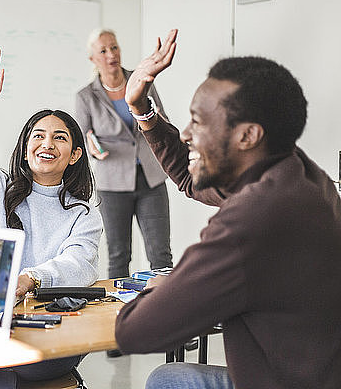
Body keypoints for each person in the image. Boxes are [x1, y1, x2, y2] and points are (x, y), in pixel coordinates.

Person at [115, 29, 341, 388]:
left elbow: (134, 333)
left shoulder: (253, 218)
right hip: (312, 373)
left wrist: (166, 286)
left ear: (247, 136)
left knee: (166, 381)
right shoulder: (298, 175)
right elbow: (191, 181)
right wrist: (141, 108)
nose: (186, 133)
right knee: (171, 375)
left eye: (198, 121)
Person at [0, 45, 102, 388]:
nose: (48, 143)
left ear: (74, 155)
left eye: (60, 138)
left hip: (51, 333)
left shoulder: (83, 212)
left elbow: (80, 263)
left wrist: (29, 280)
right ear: (25, 152)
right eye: (38, 136)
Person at [75, 28, 173, 282]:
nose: (111, 55)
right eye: (104, 51)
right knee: (119, 255)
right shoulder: (86, 96)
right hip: (113, 182)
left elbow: (161, 119)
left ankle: (163, 309)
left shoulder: (141, 79)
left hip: (151, 178)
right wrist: (91, 146)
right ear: (93, 59)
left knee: (160, 255)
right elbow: (82, 139)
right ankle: (118, 315)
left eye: (114, 47)